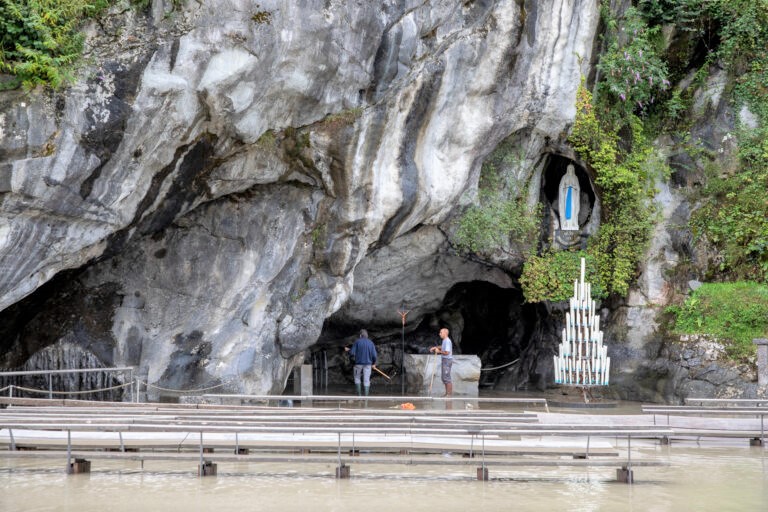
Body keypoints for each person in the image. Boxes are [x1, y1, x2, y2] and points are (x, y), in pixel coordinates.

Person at [345, 329, 377, 396]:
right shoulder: (371, 343)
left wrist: (348, 350)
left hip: (358, 364)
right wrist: (374, 363)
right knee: (366, 380)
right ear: (367, 336)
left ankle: (359, 396)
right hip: (368, 364)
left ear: (360, 335)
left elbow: (352, 353)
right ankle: (366, 399)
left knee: (357, 378)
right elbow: (374, 355)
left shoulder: (357, 342)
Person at [429, 327, 453, 396]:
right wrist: (435, 347)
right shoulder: (444, 340)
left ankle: (449, 395)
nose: (439, 334)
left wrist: (438, 351)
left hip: (447, 360)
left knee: (447, 378)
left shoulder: (447, 341)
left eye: (441, 332)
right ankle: (447, 394)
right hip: (445, 360)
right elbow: (442, 346)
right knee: (444, 378)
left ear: (445, 333)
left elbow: (447, 352)